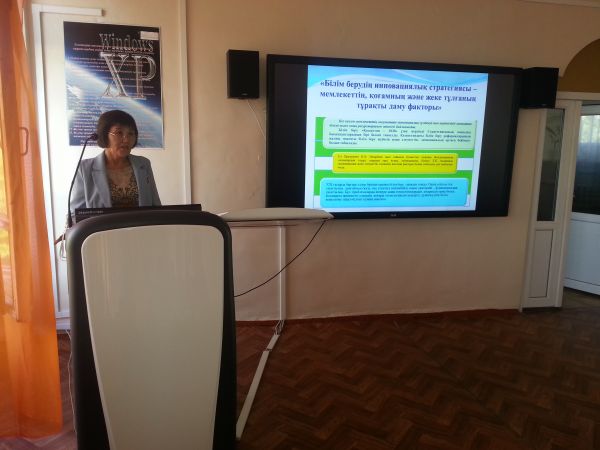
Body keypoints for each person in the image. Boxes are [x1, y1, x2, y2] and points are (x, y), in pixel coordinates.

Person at [70, 110, 161, 213]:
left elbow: (156, 206)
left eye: (131, 133)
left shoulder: (143, 164)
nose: (126, 139)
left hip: (141, 224)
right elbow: (76, 214)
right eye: (119, 133)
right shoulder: (84, 169)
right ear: (104, 135)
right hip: (102, 224)